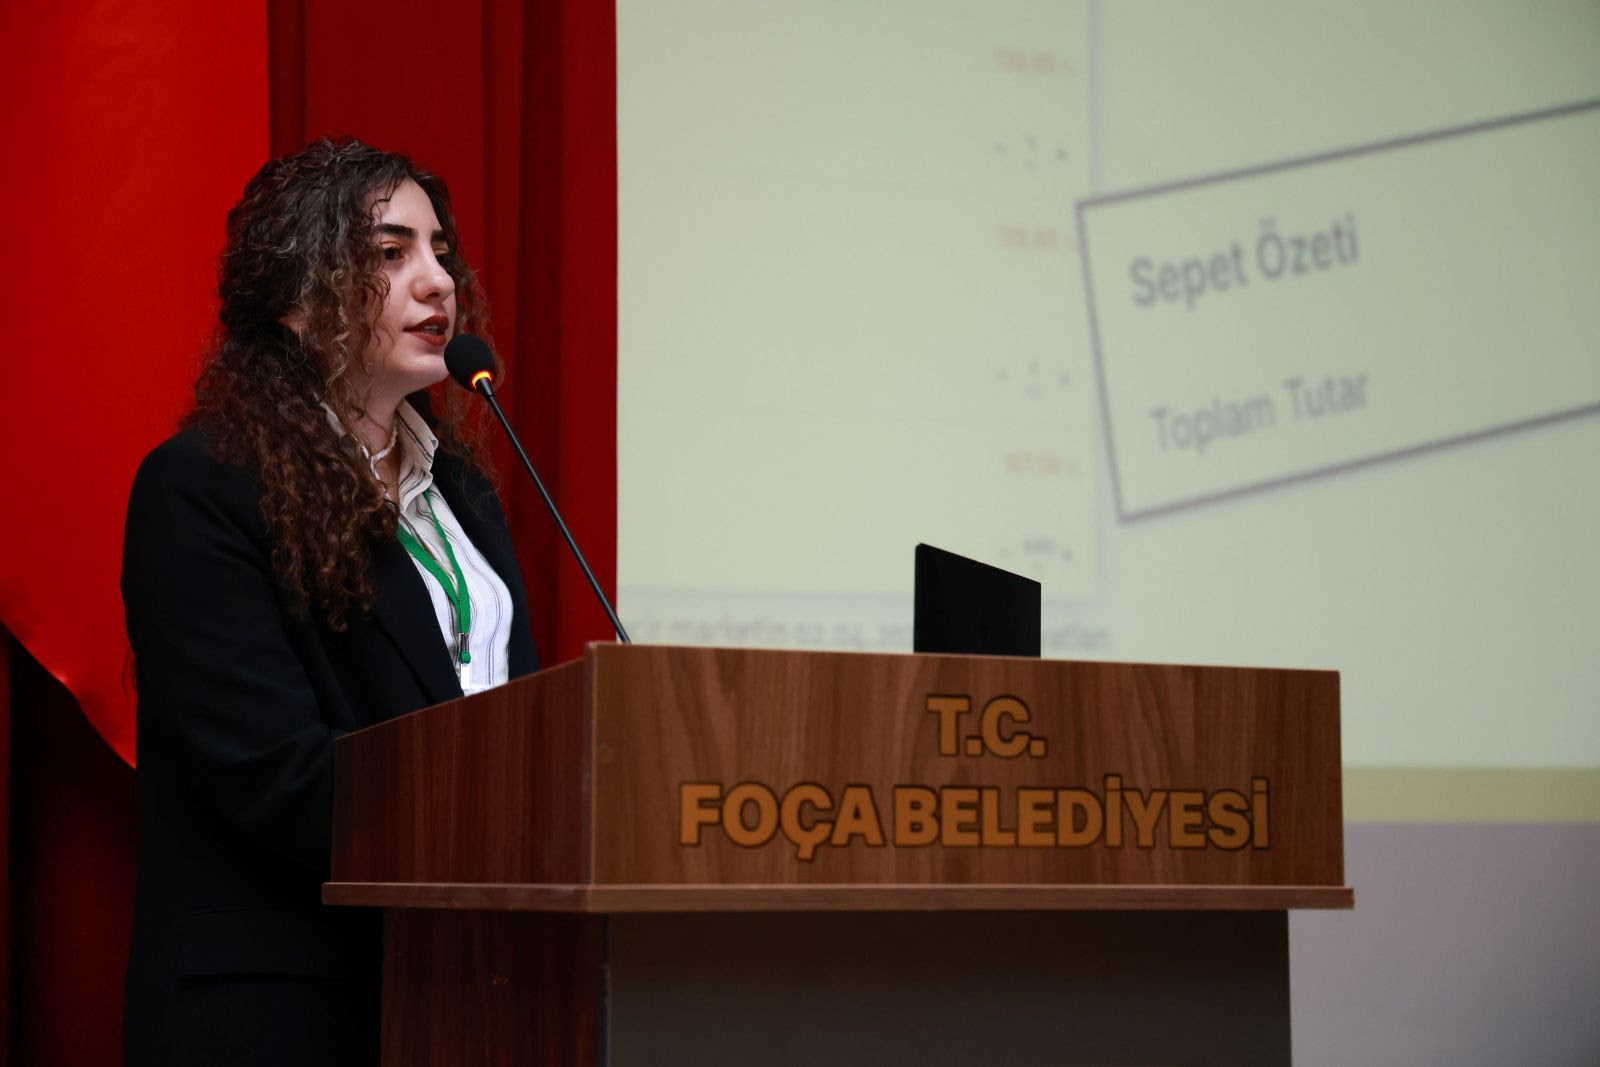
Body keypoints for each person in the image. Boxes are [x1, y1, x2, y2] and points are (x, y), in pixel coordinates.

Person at [121, 137, 538, 1065]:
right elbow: (276, 773)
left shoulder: (461, 492)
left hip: (474, 990)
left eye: (440, 252)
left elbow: (516, 718)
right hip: (286, 1004)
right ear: (300, 298)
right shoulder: (203, 488)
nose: (439, 282)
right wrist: (507, 822)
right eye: (391, 253)